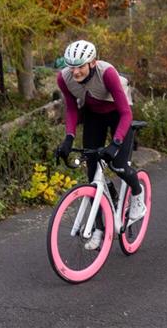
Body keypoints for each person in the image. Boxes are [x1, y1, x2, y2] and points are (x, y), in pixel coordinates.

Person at [54, 40, 145, 248]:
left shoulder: (107, 73)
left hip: (118, 115)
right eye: (71, 66)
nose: (75, 71)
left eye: (80, 66)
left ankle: (137, 195)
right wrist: (68, 137)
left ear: (92, 63)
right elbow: (71, 108)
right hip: (94, 115)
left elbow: (125, 113)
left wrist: (116, 143)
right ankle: (99, 229)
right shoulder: (64, 79)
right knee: (92, 172)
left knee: (120, 165)